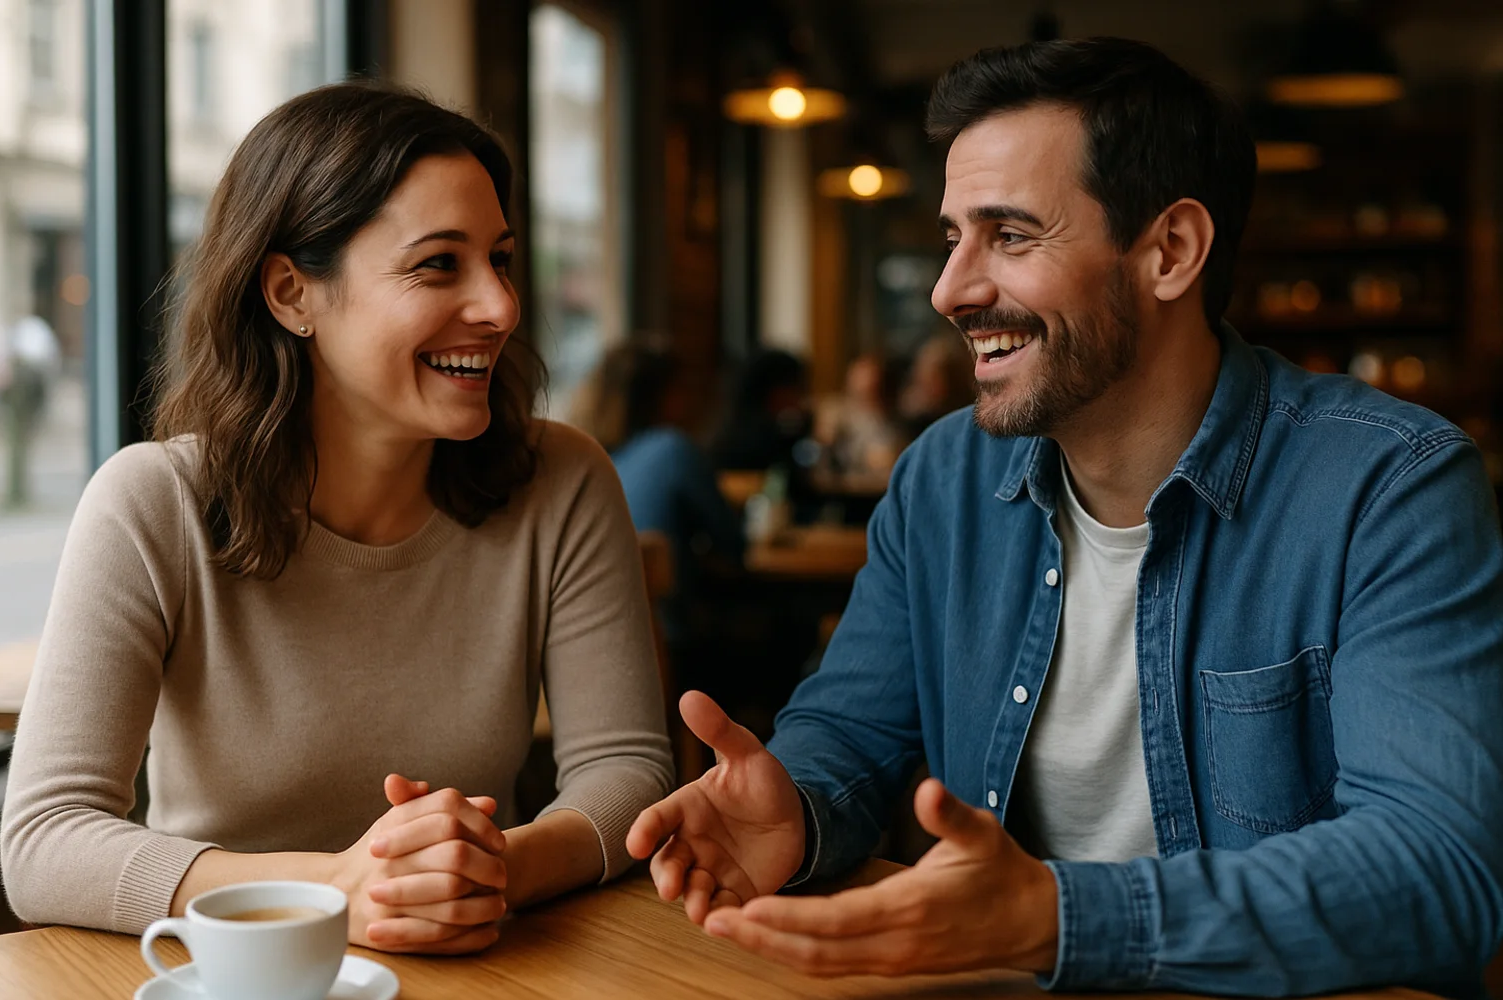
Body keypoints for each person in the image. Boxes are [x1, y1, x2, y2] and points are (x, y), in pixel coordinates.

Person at [627, 37, 1503, 998]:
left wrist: (1055, 916)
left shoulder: (1390, 487)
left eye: (1009, 235)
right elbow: (851, 730)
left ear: (1170, 252)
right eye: (953, 238)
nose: (950, 290)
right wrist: (794, 808)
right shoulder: (943, 481)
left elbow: (1437, 867)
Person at [1, 82, 673, 956]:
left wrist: (489, 871)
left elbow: (628, 771)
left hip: (479, 967)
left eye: (500, 259)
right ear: (292, 294)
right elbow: (45, 841)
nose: (502, 307)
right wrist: (334, 893)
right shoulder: (152, 502)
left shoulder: (563, 481)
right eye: (439, 264)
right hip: (231, 976)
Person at [573, 343, 743, 639]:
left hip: (591, 637)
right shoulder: (671, 448)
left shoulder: (583, 459)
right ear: (663, 396)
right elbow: (733, 544)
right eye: (683, 389)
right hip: (665, 640)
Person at [710, 349, 811, 472]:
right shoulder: (752, 440)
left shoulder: (738, 427)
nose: (800, 398)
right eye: (797, 388)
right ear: (776, 390)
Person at [813, 353, 905, 485]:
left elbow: (889, 460)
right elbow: (821, 456)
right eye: (859, 378)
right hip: (841, 490)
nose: (865, 385)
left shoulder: (894, 421)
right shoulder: (836, 413)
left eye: (872, 379)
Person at [897, 332, 975, 439]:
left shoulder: (968, 425)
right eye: (921, 374)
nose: (924, 383)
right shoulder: (913, 421)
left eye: (933, 376)